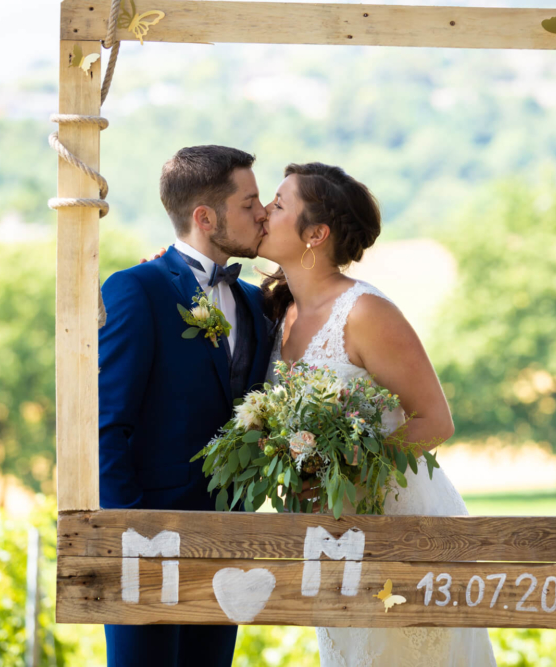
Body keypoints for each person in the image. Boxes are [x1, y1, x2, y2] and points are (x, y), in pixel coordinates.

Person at [259, 162, 497, 667]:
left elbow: (435, 420)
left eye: (278, 205)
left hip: (398, 523)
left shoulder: (365, 312)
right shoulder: (278, 312)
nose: (263, 211)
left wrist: (348, 470)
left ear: (315, 234)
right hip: (330, 534)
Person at [98, 145, 274, 667]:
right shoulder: (137, 289)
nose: (262, 213)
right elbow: (105, 426)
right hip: (147, 547)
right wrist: (135, 539)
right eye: (249, 203)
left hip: (227, 547)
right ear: (205, 217)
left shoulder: (255, 302)